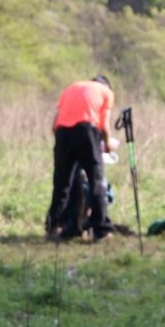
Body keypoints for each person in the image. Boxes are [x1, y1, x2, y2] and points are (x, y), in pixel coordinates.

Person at [46, 75, 117, 243]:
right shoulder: (106, 93)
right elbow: (104, 125)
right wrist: (107, 144)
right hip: (87, 130)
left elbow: (54, 124)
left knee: (62, 183)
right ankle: (100, 230)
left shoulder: (71, 87)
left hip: (63, 132)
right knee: (96, 181)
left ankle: (55, 227)